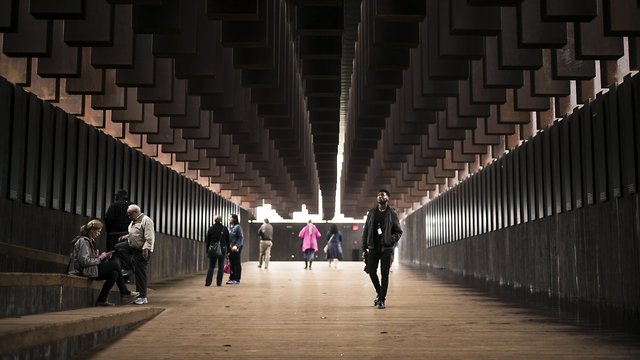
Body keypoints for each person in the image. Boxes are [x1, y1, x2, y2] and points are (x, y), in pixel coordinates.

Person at [68, 219, 138, 306]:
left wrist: (103, 257)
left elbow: (90, 259)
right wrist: (100, 258)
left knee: (114, 274)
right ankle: (124, 292)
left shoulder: (90, 241)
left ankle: (101, 300)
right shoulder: (83, 241)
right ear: (92, 230)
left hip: (88, 268)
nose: (99, 233)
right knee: (115, 265)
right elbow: (84, 261)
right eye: (98, 231)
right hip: (82, 270)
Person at [361, 189, 403, 309]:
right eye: (379, 195)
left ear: (388, 198)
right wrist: (364, 248)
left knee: (385, 274)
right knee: (371, 271)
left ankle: (382, 300)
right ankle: (380, 293)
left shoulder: (392, 213)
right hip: (373, 247)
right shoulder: (371, 213)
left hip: (386, 248)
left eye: (383, 195)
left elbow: (398, 231)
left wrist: (391, 239)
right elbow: (366, 231)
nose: (380, 196)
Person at [114, 204, 155, 305]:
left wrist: (146, 249)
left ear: (136, 213)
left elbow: (149, 237)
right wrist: (126, 237)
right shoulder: (133, 222)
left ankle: (142, 296)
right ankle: (129, 267)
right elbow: (135, 234)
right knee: (119, 247)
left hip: (142, 250)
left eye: (130, 214)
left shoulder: (146, 220)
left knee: (140, 273)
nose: (129, 217)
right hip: (132, 246)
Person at [205, 215, 230, 286]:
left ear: (214, 220)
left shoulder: (211, 228)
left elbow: (208, 241)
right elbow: (227, 240)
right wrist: (228, 251)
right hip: (223, 248)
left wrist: (207, 250)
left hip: (213, 248)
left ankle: (208, 282)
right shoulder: (224, 229)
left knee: (211, 266)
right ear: (221, 220)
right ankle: (219, 283)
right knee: (221, 266)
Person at [226, 214, 243, 285]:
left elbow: (241, 237)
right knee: (231, 263)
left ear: (234, 219)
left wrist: (237, 246)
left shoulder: (238, 227)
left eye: (230, 217)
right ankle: (231, 278)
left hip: (236, 247)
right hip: (230, 247)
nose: (229, 219)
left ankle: (237, 279)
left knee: (236, 263)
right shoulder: (229, 228)